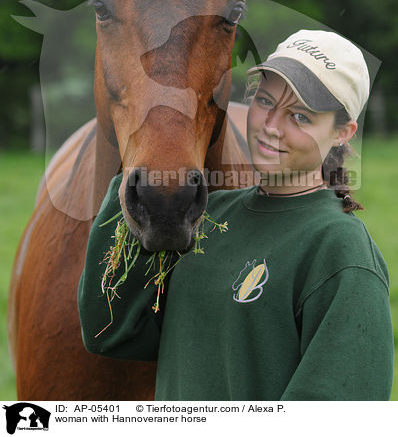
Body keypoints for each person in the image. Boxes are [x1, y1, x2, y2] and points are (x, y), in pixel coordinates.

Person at [78, 29, 394, 400]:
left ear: (343, 132)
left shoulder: (341, 252)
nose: (271, 127)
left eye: (301, 118)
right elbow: (110, 333)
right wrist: (140, 167)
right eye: (265, 101)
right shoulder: (210, 215)